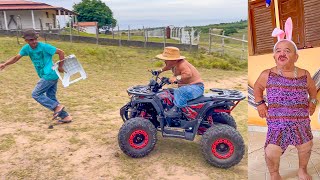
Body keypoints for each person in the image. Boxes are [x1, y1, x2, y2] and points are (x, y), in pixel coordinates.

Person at [254, 38, 317, 180]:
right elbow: (257, 88)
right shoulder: (267, 74)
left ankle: (302, 170)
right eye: (278, 51)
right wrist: (260, 104)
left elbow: (313, 91)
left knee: (306, 147)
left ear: (296, 57)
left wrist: (312, 102)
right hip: (277, 124)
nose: (282, 53)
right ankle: (274, 174)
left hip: (301, 123)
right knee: (271, 151)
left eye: (287, 51)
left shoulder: (304, 74)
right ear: (274, 57)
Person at [0, 30, 72, 123]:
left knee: (36, 94)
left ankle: (57, 107)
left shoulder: (44, 47)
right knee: (50, 97)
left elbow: (61, 52)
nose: (33, 42)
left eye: (35, 39)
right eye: (31, 40)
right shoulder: (26, 48)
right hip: (49, 75)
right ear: (26, 40)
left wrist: (61, 67)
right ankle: (65, 116)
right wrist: (5, 64)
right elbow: (16, 57)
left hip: (50, 74)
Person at [155, 46, 204, 119]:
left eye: (167, 59)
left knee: (179, 92)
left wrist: (176, 78)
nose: (165, 61)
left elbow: (188, 74)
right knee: (169, 92)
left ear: (174, 60)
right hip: (189, 87)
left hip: (196, 87)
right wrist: (159, 71)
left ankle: (179, 111)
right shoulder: (174, 64)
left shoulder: (182, 64)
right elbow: (167, 67)